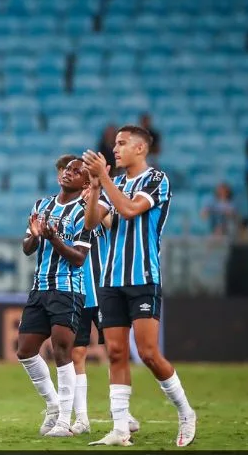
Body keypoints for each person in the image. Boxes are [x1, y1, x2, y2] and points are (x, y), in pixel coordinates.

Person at [82, 125, 196, 447]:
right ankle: (120, 428)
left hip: (143, 277)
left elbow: (130, 210)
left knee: (147, 353)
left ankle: (186, 412)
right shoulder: (115, 183)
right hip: (110, 279)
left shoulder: (156, 179)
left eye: (122, 143)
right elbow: (93, 222)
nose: (115, 149)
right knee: (116, 352)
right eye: (115, 144)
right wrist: (95, 188)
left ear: (141, 148)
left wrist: (104, 180)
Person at [15, 156, 99, 437]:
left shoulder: (85, 212)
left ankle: (64, 421)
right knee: (25, 350)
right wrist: (35, 236)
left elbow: (79, 258)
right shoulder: (42, 205)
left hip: (68, 289)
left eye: (77, 171)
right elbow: (27, 248)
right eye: (67, 169)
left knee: (62, 352)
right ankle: (53, 405)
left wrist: (53, 238)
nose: (68, 173)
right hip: (40, 287)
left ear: (85, 182)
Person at [70, 173, 139, 437]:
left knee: (115, 350)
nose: (87, 189)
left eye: (91, 185)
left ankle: (121, 411)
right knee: (77, 353)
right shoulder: (70, 212)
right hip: (78, 291)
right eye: (85, 185)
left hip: (105, 290)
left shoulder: (105, 208)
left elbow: (112, 226)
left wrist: (97, 200)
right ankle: (81, 418)